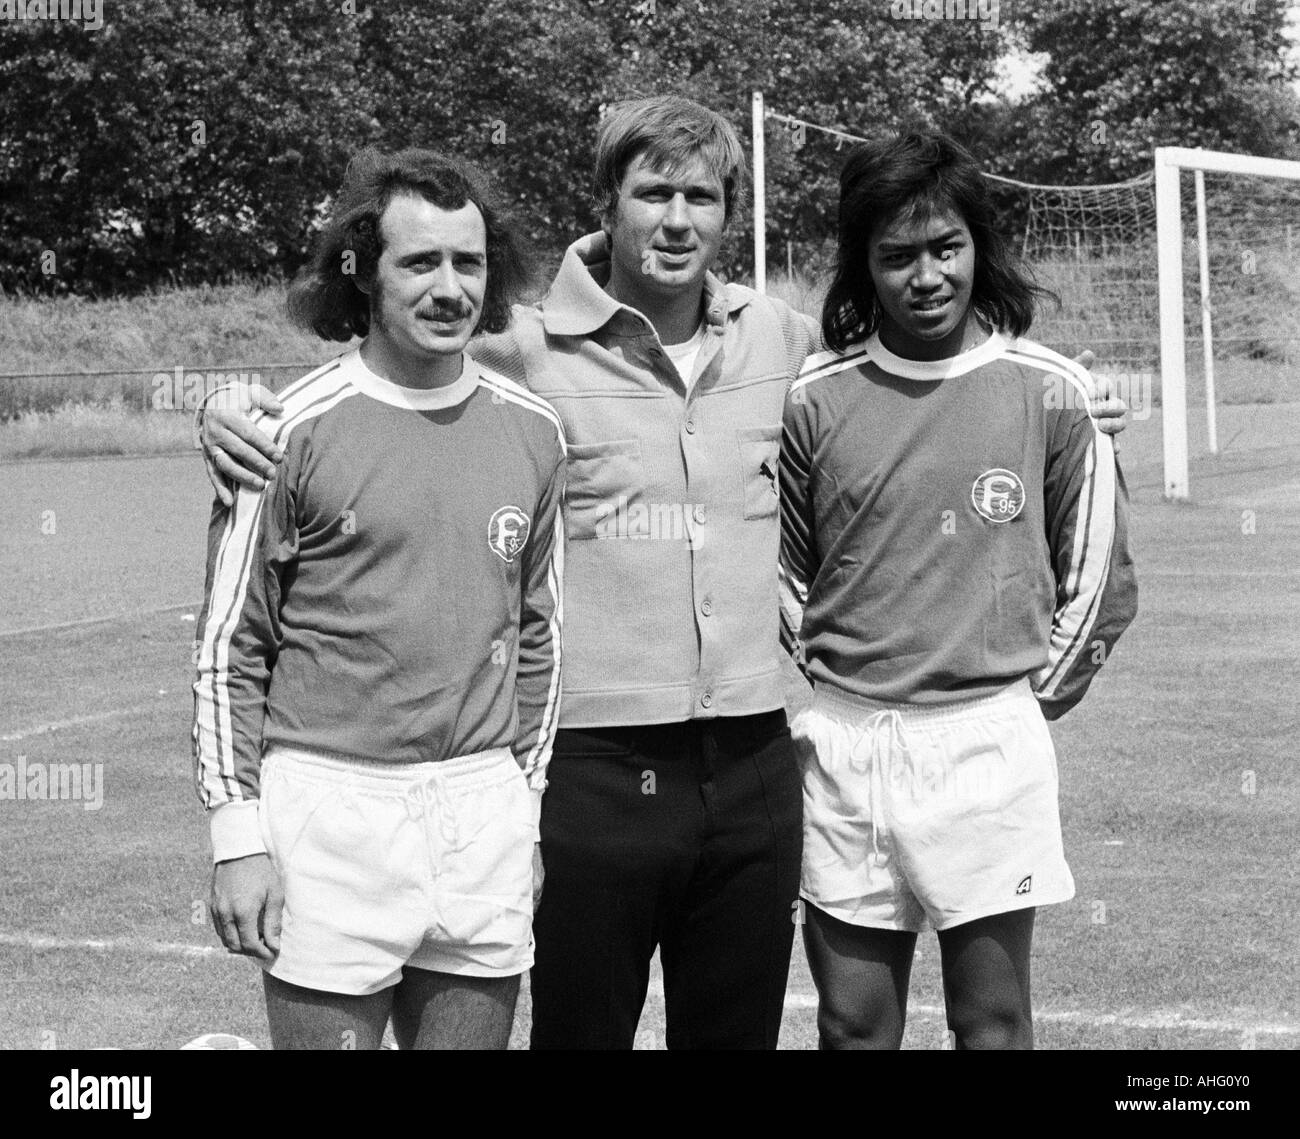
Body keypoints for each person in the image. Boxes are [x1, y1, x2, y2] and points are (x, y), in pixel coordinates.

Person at [196, 98, 1129, 1050]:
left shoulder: (787, 343)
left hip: (755, 766)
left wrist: (1069, 388)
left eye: (701, 195)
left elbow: (917, 381)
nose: (677, 219)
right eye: (652, 193)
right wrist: (231, 403)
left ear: (729, 212)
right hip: (594, 774)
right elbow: (388, 365)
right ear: (607, 202)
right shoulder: (515, 338)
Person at [193, 148, 565, 1050]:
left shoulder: (536, 430)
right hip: (330, 808)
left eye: (467, 263)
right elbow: (229, 646)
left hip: (482, 808)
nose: (449, 288)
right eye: (420, 262)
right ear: (364, 274)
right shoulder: (284, 430)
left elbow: (541, 635)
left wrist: (526, 805)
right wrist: (236, 835)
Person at [778, 131, 1138, 1050]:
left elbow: (1098, 575)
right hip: (847, 743)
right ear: (864, 263)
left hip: (987, 747)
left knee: (992, 1020)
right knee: (855, 1025)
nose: (926, 276)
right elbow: (785, 569)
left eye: (946, 248)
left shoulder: (1054, 391)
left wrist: (1021, 702)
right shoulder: (816, 395)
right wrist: (831, 676)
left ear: (980, 247)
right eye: (897, 255)